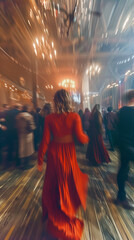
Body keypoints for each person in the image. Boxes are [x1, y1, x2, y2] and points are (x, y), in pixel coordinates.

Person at [38, 89, 89, 240]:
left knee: (53, 183)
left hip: (54, 153)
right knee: (67, 181)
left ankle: (55, 210)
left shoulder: (49, 118)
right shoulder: (74, 117)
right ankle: (66, 208)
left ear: (55, 101)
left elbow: (45, 140)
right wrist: (88, 138)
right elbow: (80, 138)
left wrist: (40, 159)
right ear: (68, 100)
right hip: (68, 153)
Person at [115, 90, 134, 208]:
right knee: (124, 170)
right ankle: (121, 197)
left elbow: (118, 127)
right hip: (131, 145)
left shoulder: (122, 111)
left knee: (123, 169)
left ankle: (121, 197)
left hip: (123, 145)